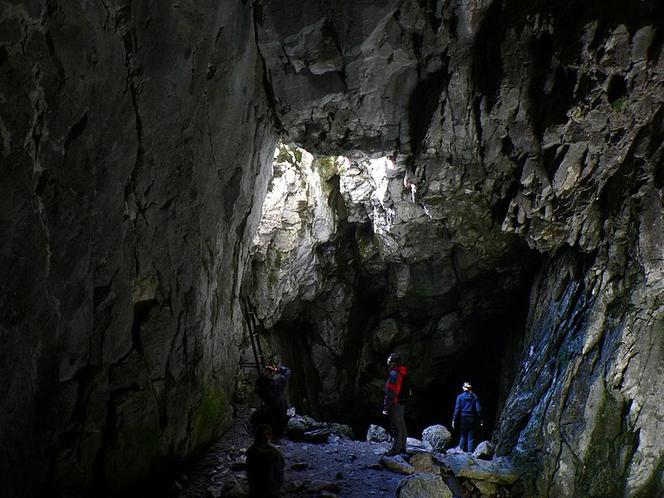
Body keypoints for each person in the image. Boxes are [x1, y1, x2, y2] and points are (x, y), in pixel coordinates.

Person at [250, 364, 291, 437]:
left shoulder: (264, 390)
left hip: (272, 413)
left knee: (254, 418)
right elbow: (287, 371)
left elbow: (258, 388)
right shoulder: (279, 382)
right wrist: (276, 370)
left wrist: (263, 376)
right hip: (282, 412)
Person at [246, 424, 285, 498]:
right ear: (268, 436)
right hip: (270, 491)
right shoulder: (274, 453)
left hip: (255, 489)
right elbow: (280, 469)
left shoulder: (251, 451)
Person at [382, 353, 407, 456]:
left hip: (395, 403)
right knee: (401, 425)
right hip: (402, 402)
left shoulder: (394, 374)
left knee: (396, 427)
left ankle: (395, 449)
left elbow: (391, 392)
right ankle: (402, 447)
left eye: (389, 361)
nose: (388, 362)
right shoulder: (403, 372)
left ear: (393, 363)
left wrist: (386, 406)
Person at [452, 381, 483, 452]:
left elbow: (457, 409)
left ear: (463, 388)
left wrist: (454, 420)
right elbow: (478, 409)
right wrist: (480, 419)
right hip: (471, 418)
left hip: (463, 418)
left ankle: (460, 452)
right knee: (470, 437)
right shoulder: (475, 397)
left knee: (462, 436)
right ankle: (470, 455)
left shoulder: (460, 397)